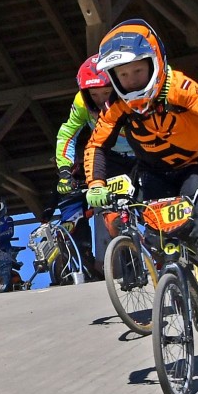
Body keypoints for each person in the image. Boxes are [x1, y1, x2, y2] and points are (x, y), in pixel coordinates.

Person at [83, 18, 198, 331]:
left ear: (155, 62)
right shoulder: (117, 106)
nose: (131, 80)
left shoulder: (179, 87)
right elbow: (96, 144)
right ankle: (175, 280)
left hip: (194, 167)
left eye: (138, 70)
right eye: (122, 74)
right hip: (154, 173)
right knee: (155, 237)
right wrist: (95, 184)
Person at [54, 55, 138, 272]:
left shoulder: (132, 93)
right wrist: (65, 171)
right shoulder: (81, 102)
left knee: (152, 205)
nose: (100, 100)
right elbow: (67, 134)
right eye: (94, 94)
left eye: (106, 92)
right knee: (114, 214)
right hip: (111, 157)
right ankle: (130, 261)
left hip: (144, 153)